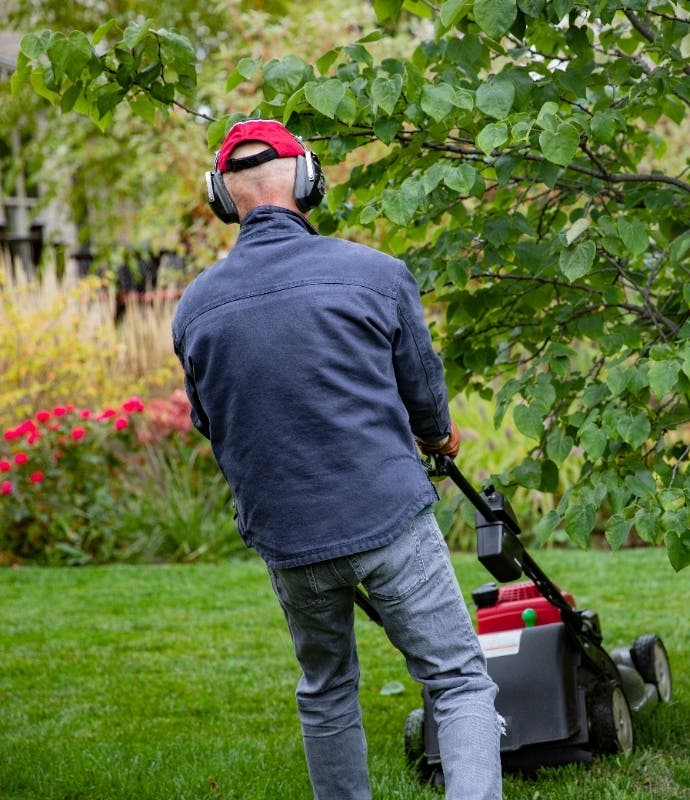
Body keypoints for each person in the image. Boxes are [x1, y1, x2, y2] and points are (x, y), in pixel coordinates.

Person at [172, 119, 502, 800]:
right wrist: (439, 437)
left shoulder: (195, 307)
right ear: (306, 181)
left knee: (326, 690)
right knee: (456, 678)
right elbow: (425, 404)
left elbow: (212, 422)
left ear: (223, 198)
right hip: (387, 518)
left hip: (287, 538)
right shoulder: (374, 274)